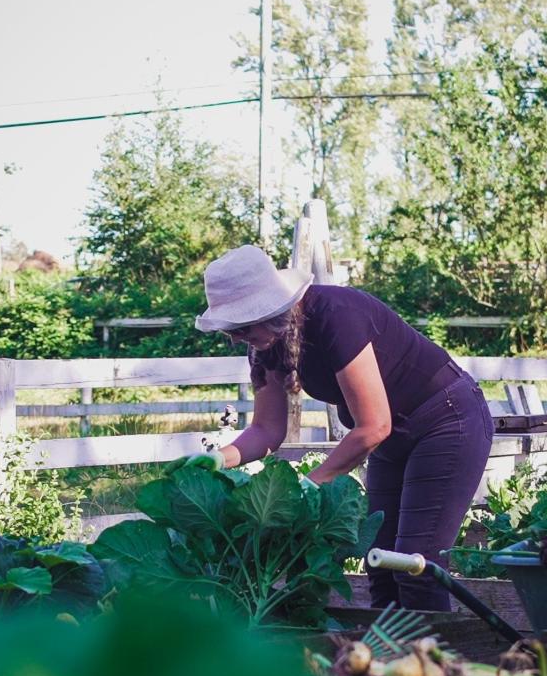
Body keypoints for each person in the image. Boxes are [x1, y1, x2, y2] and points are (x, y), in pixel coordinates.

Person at [187, 243, 493, 612]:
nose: (235, 337)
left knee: (416, 563)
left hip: (446, 420)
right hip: (392, 439)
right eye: (230, 328)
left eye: (241, 325)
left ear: (270, 310)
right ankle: (384, 666)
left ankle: (439, 664)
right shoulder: (265, 343)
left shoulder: (336, 316)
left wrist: (310, 482)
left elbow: (373, 425)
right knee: (379, 561)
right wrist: (216, 460)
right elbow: (267, 430)